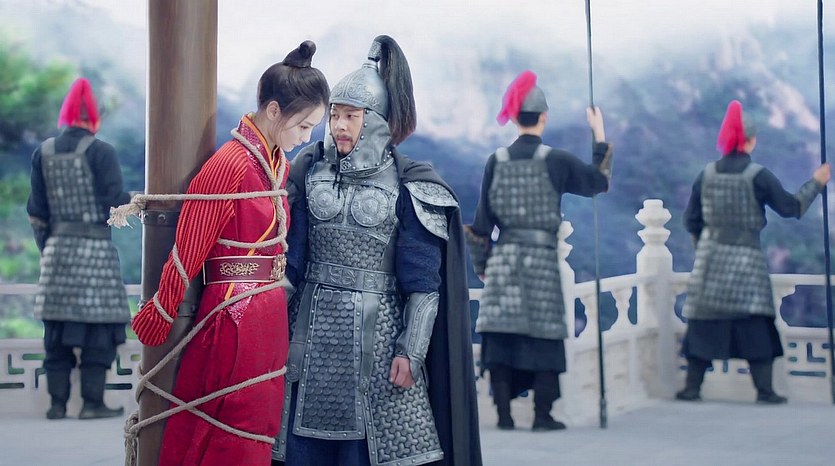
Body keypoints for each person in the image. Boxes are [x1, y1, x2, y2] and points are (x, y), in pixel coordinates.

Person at [271, 35, 482, 466]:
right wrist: (257, 319)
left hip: (380, 341)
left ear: (376, 122)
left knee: (376, 454)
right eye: (334, 115)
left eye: (351, 116)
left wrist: (411, 350)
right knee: (297, 450)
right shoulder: (308, 171)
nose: (339, 125)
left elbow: (423, 283)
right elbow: (291, 262)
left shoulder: (410, 186)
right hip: (307, 339)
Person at [129, 41, 329, 465]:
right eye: (303, 125)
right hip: (234, 315)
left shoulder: (274, 163)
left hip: (265, 312)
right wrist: (162, 308)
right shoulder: (231, 164)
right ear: (273, 110)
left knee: (258, 424)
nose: (306, 137)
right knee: (230, 425)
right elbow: (190, 244)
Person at [465, 70, 612, 431]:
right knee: (543, 335)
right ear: (543, 117)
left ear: (515, 118)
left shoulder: (496, 161)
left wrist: (484, 266)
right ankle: (542, 416)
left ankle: (504, 415)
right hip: (543, 260)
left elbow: (481, 225)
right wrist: (599, 133)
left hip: (504, 260)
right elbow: (598, 182)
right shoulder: (556, 161)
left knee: (502, 336)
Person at [678, 100, 830, 404]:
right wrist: (816, 183)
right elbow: (791, 207)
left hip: (710, 260)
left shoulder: (706, 175)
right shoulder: (758, 176)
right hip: (746, 260)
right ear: (751, 140)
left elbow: (691, 220)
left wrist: (704, 248)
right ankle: (765, 390)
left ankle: (692, 388)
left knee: (704, 322)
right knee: (754, 324)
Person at [27, 78, 132, 421]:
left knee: (57, 331)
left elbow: (37, 213)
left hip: (57, 253)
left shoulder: (42, 153)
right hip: (95, 253)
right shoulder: (102, 152)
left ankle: (56, 405)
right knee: (98, 331)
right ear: (94, 117)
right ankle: (91, 404)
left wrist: (48, 249)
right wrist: (138, 200)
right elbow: (114, 202)